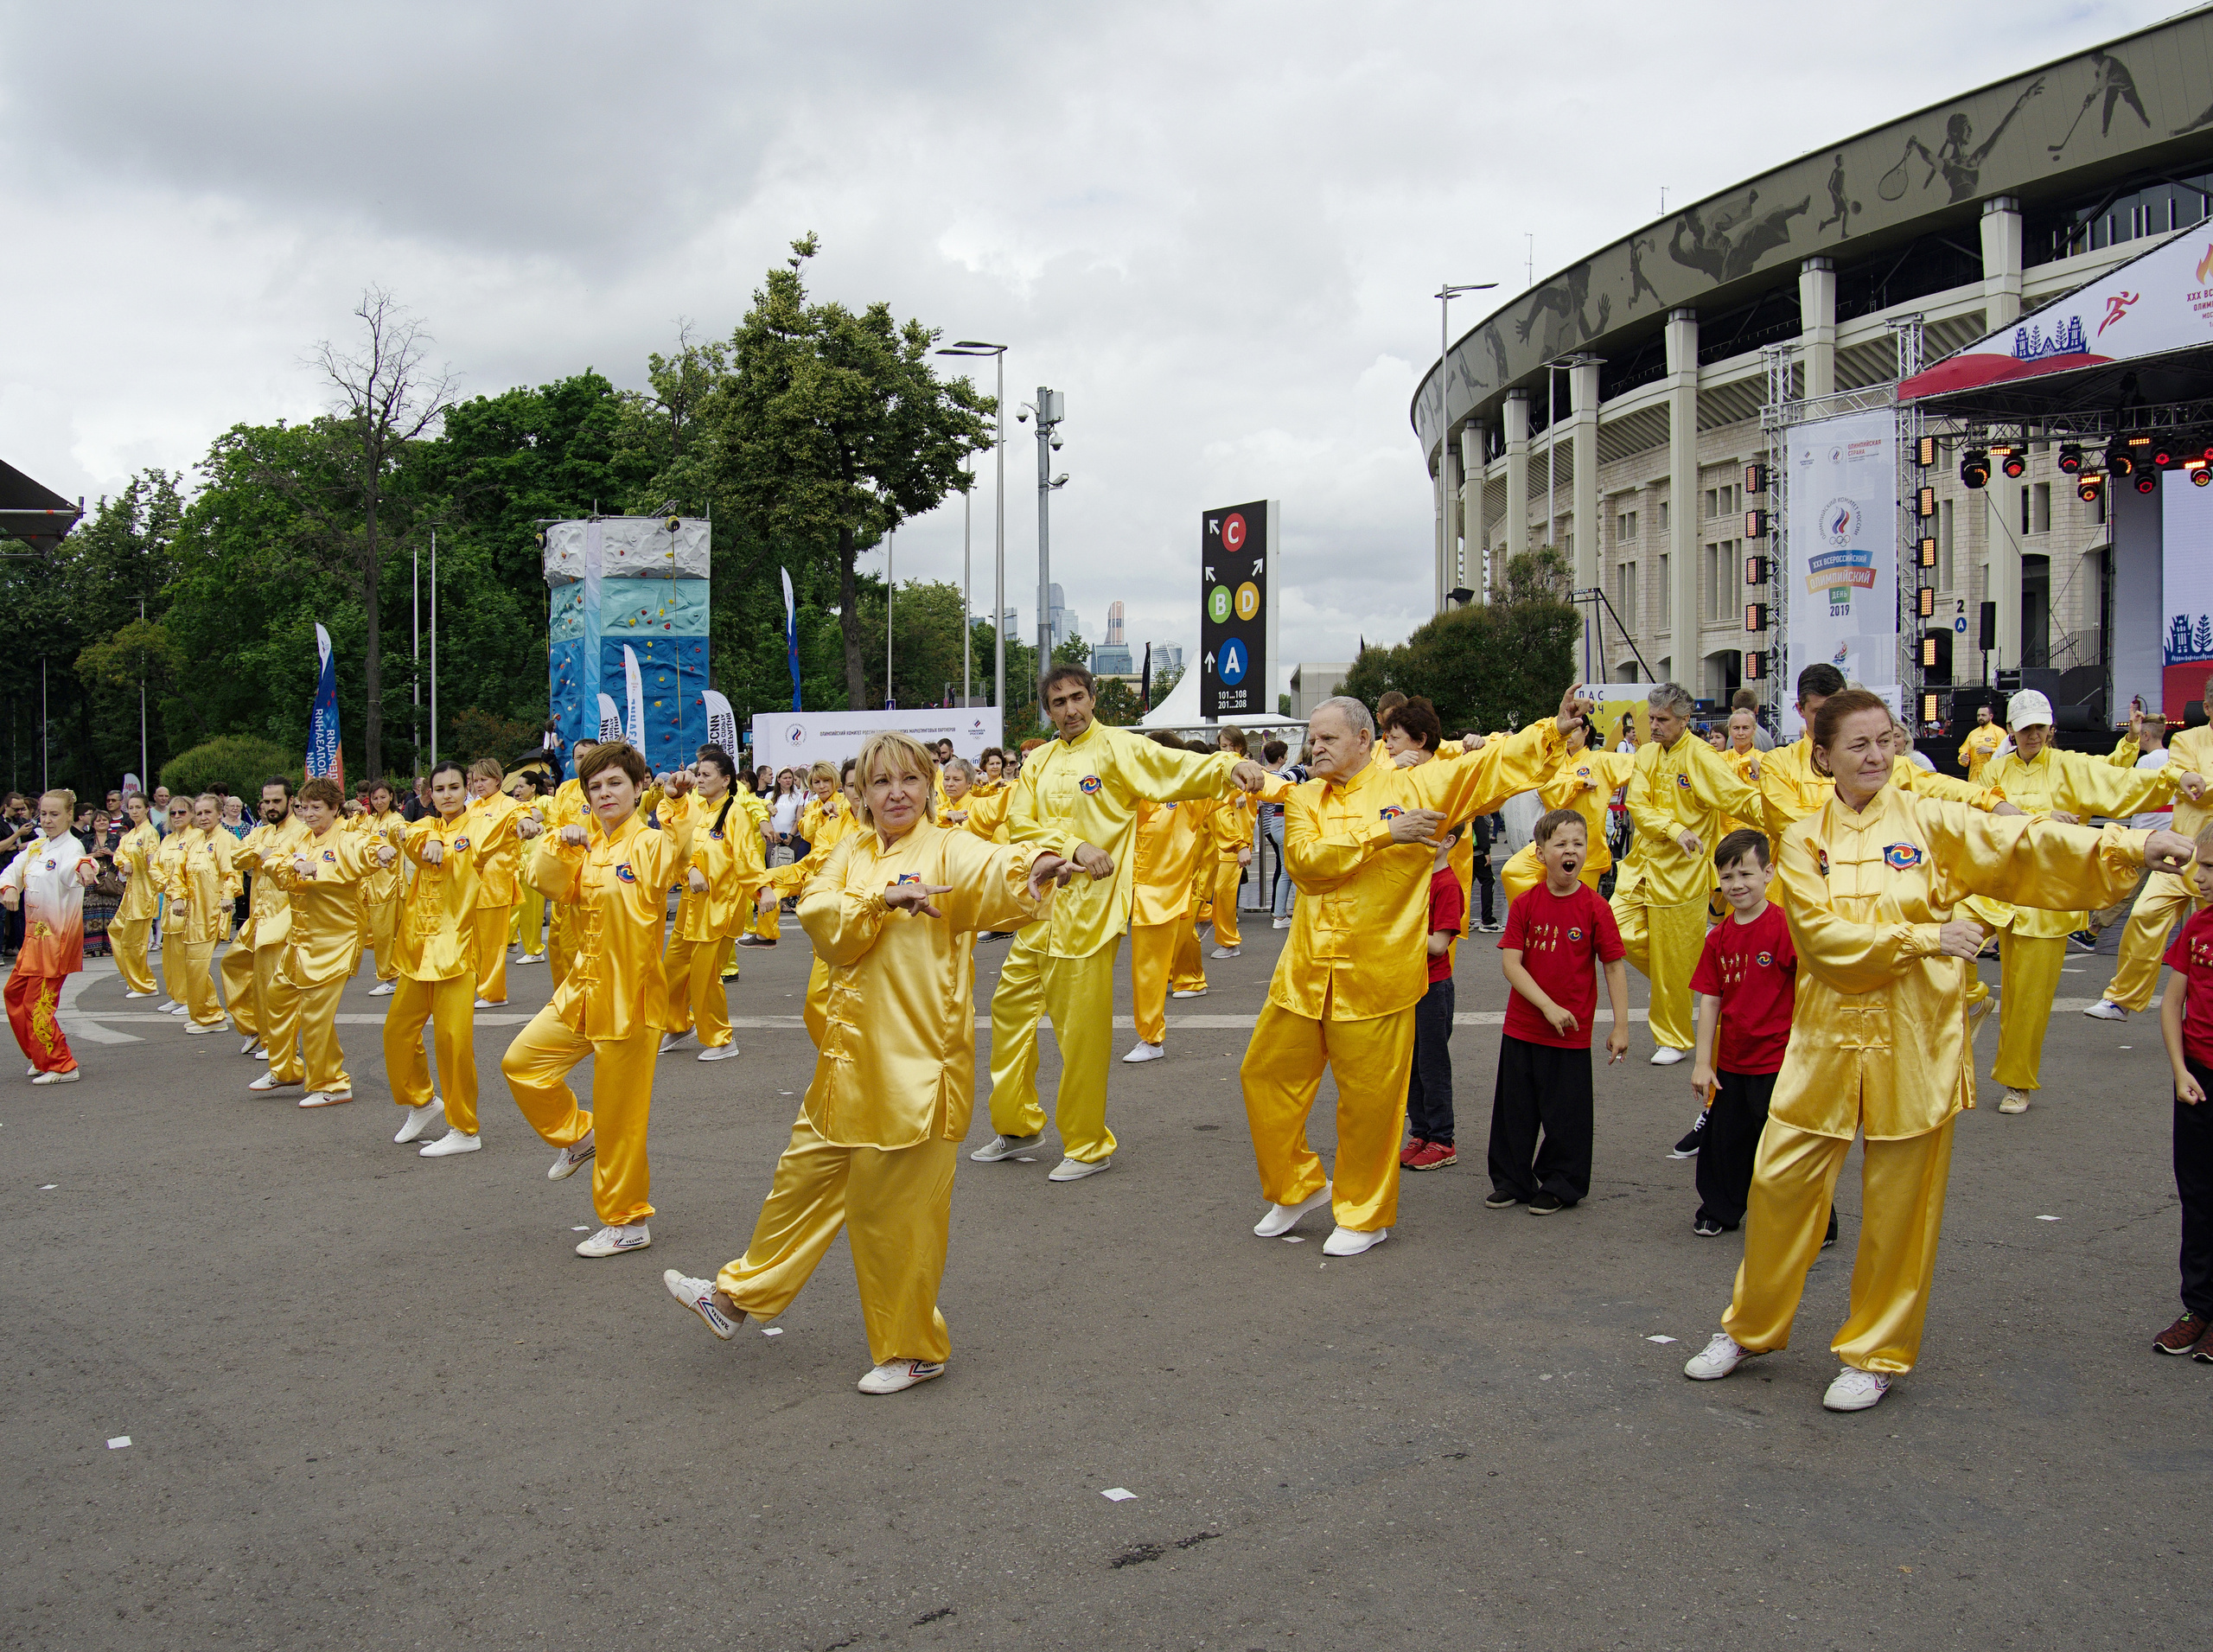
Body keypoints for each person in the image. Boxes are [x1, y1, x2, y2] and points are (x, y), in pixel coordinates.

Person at [1682, 689, 2196, 1412]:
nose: (1876, 755)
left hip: (1914, 1037)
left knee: (1901, 1205)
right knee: (1779, 1186)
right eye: (1858, 744)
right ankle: (1750, 1327)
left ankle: (1874, 1351)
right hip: (1825, 1040)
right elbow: (1823, 943)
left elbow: (2022, 845)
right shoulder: (1800, 840)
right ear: (1823, 756)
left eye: (1885, 740)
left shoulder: (1930, 820)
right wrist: (1927, 937)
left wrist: (2131, 846)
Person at [660, 730, 1069, 1393]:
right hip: (847, 1060)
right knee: (800, 1179)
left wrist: (1050, 859)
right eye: (881, 782)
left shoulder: (948, 847)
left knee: (893, 1218)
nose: (896, 793)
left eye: (909, 779)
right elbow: (822, 916)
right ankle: (735, 1299)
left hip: (916, 1071)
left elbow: (998, 865)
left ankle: (913, 1348)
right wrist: (881, 900)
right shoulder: (852, 850)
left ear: (929, 786)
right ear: (863, 793)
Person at [1242, 689, 1580, 1253]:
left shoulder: (1416, 787)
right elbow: (1305, 865)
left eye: (1327, 738)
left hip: (1377, 979)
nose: (1315, 747)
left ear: (1364, 740)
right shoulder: (1304, 799)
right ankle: (1295, 1186)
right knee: (1263, 1077)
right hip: (1303, 976)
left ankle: (1364, 1214)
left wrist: (1551, 730)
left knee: (1370, 1104)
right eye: (1312, 738)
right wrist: (1384, 835)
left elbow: (1488, 767)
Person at [976, 664, 1268, 1182]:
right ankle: (1017, 1127)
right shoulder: (1037, 762)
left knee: (1081, 1037)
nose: (1070, 709)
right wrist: (1073, 847)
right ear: (1048, 711)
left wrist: (1228, 766)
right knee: (1009, 1016)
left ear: (1093, 699)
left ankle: (1088, 1145)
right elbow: (1018, 823)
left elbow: (1175, 766)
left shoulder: (1118, 748)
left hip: (1090, 916)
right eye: (1059, 702)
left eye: (1077, 697)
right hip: (1037, 914)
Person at [1963, 689, 2200, 1113]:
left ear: (2050, 728)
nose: (2033, 735)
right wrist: (2042, 817)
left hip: (2047, 899)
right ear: (2011, 730)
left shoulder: (2069, 766)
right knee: (1937, 937)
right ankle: (1973, 997)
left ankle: (2017, 1083)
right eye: (2025, 728)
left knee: (2028, 1001)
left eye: (2040, 727)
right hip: (1992, 889)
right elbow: (1974, 818)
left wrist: (2173, 778)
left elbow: (2119, 781)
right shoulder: (1992, 771)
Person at [502, 741, 686, 1258]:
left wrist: (676, 803)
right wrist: (560, 843)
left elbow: (677, 853)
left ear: (638, 788)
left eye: (615, 783)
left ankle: (628, 1221)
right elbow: (544, 882)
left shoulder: (648, 843)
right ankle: (579, 1137)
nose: (604, 793)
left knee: (621, 1117)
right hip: (581, 990)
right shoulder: (587, 845)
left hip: (631, 999)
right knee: (522, 1063)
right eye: (595, 786)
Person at [1685, 830, 1830, 1243]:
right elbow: (1710, 1000)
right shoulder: (1719, 937)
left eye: (1746, 874)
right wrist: (1702, 1063)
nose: (1737, 885)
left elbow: (1811, 992)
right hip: (1732, 1063)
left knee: (1789, 1146)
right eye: (1727, 877)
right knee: (1724, 1145)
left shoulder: (1787, 927)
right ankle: (1719, 1209)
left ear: (1769, 873)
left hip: (1779, 1062)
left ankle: (1816, 1222)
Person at [1610, 683, 1763, 1066]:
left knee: (1674, 958)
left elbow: (1737, 797)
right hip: (1641, 866)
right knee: (1615, 932)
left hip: (1684, 874)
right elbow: (1637, 805)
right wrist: (1674, 830)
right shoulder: (1646, 753)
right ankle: (1680, 979)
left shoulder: (1701, 755)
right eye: (1652, 718)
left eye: (1663, 719)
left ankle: (1674, 1038)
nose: (1654, 726)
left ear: (1684, 720)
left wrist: (1785, 816)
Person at [1485, 807, 1629, 1212]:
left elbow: (1613, 966)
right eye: (1561, 843)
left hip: (1571, 1033)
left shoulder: (1596, 907)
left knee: (1567, 1115)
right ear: (1540, 852)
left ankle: (1561, 1182)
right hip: (1522, 1027)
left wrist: (1621, 1026)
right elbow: (1511, 964)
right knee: (1514, 1110)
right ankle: (1512, 1179)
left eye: (1578, 843)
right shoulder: (1526, 903)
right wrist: (1547, 1006)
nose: (1571, 851)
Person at [250, 776, 381, 1108]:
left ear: (335, 808)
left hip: (335, 940)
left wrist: (382, 851)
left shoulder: (347, 838)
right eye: (303, 807)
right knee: (277, 996)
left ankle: (333, 1083)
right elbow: (273, 860)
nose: (308, 814)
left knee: (315, 1014)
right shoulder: (300, 839)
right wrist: (295, 863)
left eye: (316, 808)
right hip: (300, 940)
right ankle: (285, 1069)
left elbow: (367, 847)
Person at [383, 761, 485, 1157]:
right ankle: (422, 1101)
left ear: (466, 789)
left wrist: (528, 819)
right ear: (430, 794)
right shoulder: (425, 825)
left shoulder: (478, 827)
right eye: (439, 789)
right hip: (417, 952)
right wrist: (431, 838)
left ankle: (465, 1128)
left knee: (453, 1041)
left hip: (457, 951)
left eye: (454, 787)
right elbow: (401, 830)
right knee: (397, 1033)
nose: (447, 795)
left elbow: (511, 819)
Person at [2090, 693, 2211, 1021]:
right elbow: (2188, 787)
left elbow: (2197, 786)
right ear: (2207, 708)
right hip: (2179, 853)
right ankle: (2121, 998)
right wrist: (2190, 782)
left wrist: (2198, 783)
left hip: (2206, 860)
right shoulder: (2185, 741)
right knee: (2144, 914)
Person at [1121, 735, 1227, 1064]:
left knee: (1150, 968)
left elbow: (1230, 784)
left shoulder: (1186, 798)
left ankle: (1152, 1036)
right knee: (1138, 969)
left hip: (1165, 896)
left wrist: (1272, 780)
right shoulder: (1132, 793)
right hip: (1126, 894)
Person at [660, 746, 760, 1062]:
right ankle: (678, 1024)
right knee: (672, 970)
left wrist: (762, 891)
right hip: (691, 906)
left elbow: (746, 860)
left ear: (726, 780)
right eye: (698, 774)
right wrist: (689, 870)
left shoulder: (735, 814)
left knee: (705, 976)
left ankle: (721, 1038)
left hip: (720, 906)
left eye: (706, 775)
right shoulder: (697, 809)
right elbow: (676, 844)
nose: (700, 779)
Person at [2154, 826, 2213, 1359]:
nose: (2200, 877)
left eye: (2212, 868)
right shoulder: (2196, 925)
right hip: (2197, 1079)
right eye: (2200, 865)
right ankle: (2199, 1308)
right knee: (2197, 1198)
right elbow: (2173, 1003)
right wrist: (2179, 1071)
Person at [0, 789, 98, 1083]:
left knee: (38, 1004)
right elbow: (11, 871)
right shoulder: (37, 846)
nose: (48, 820)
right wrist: (10, 888)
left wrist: (85, 868)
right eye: (43, 814)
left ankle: (62, 1064)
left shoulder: (72, 848)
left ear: (69, 815)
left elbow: (77, 866)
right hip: (33, 939)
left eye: (55, 814)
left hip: (56, 940)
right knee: (14, 994)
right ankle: (39, 1054)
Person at [1501, 713, 1634, 904]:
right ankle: (1532, 916)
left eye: (1574, 730)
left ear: (1586, 731)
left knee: (1579, 909)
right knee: (1514, 871)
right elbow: (1546, 789)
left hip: (1586, 849)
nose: (1569, 736)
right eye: (1566, 730)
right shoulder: (1554, 761)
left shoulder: (1602, 760)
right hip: (1553, 843)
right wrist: (1577, 784)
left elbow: (1640, 766)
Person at [221, 779, 309, 1060]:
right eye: (266, 801)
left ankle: (279, 1045)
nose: (271, 806)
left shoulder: (302, 832)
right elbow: (237, 857)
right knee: (233, 966)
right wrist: (259, 851)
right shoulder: (260, 832)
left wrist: (269, 856)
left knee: (273, 983)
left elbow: (297, 868)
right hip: (257, 917)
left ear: (290, 801)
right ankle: (256, 1028)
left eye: (276, 801)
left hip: (283, 918)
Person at [1400, 825, 1467, 1173]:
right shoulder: (1418, 877)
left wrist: (1399, 929)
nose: (1421, 841)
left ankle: (1442, 1138)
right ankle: (1421, 1133)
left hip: (1434, 986)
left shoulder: (1447, 884)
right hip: (1409, 984)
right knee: (1411, 1064)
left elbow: (1439, 945)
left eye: (1431, 836)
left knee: (1432, 1065)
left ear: (1449, 841)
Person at [168, 795, 237, 1034]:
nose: (203, 817)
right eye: (199, 813)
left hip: (213, 911)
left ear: (219, 814)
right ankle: (204, 1012)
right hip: (192, 912)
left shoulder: (224, 839)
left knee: (198, 963)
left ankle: (211, 1016)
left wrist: (228, 895)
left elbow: (231, 872)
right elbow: (178, 872)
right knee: (192, 964)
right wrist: (177, 896)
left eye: (208, 812)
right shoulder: (195, 839)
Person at [462, 758, 523, 1008]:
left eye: (484, 779)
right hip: (471, 883)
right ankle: (479, 987)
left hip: (495, 882)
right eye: (475, 780)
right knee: (474, 943)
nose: (479, 785)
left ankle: (493, 993)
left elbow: (524, 814)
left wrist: (530, 819)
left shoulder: (508, 805)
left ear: (497, 780)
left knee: (492, 944)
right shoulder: (472, 807)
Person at [1207, 726, 1255, 960]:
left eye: (1231, 746)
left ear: (1240, 746)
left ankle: (1228, 941)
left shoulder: (1248, 771)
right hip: (1216, 841)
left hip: (1236, 842)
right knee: (1209, 888)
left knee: (1223, 891)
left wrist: (1242, 845)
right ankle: (1207, 921)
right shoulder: (1219, 769)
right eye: (1223, 746)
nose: (1226, 750)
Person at [110, 793, 163, 998]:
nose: (134, 811)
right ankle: (133, 976)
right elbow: (119, 853)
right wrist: (125, 862)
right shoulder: (129, 835)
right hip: (130, 892)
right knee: (116, 931)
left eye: (138, 807)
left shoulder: (149, 833)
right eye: (131, 808)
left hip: (144, 892)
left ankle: (144, 984)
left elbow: (153, 859)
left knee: (134, 941)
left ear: (146, 809)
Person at [359, 779, 407, 995]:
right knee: (370, 932)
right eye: (375, 798)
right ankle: (394, 970)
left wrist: (404, 833)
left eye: (383, 797)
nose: (379, 801)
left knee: (387, 935)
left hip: (388, 886)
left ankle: (391, 977)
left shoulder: (395, 819)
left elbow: (400, 829)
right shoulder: (370, 820)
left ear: (391, 797)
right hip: (369, 885)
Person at [507, 770, 549, 966]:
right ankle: (511, 940)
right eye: (516, 786)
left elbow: (553, 820)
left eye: (521, 786)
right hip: (519, 862)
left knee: (532, 909)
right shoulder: (518, 806)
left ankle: (534, 950)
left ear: (533, 787)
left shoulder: (545, 801)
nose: (517, 790)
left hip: (536, 862)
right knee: (514, 905)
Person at [1957, 701, 2004, 786]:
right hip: (1974, 779)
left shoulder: (1999, 732)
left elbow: (2006, 752)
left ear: (1991, 716)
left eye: (1983, 715)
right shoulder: (1972, 734)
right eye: (1978, 715)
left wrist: (1991, 749)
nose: (1980, 718)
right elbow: (1963, 751)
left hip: (1992, 779)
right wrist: (1963, 758)